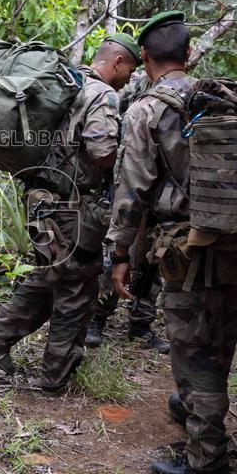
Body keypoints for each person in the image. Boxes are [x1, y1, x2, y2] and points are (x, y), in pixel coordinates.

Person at [107, 11, 237, 474]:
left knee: (193, 350)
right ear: (189, 54)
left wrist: (118, 255)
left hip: (184, 248)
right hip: (235, 239)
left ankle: (206, 460)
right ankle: (196, 410)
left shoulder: (145, 110)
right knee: (220, 338)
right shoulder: (220, 100)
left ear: (145, 57)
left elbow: (131, 192)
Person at [0, 34, 138, 396]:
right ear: (118, 62)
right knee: (78, 285)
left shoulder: (64, 83)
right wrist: (127, 154)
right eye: (130, 70)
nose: (128, 79)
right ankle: (55, 376)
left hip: (41, 198)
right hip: (72, 205)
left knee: (58, 274)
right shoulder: (103, 95)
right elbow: (101, 150)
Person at [86, 71, 170, 354]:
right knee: (114, 252)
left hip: (161, 191)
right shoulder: (131, 89)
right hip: (126, 182)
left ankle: (142, 323)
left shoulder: (176, 91)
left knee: (151, 258)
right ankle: (97, 317)